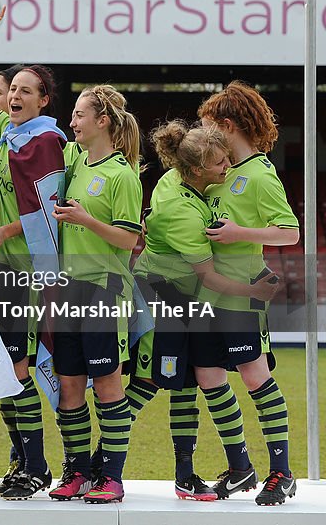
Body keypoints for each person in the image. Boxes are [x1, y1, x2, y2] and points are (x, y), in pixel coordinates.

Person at [132, 121, 279, 502]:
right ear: (196, 170)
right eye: (219, 163)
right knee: (148, 382)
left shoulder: (174, 181)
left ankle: (214, 471)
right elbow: (210, 277)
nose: (227, 167)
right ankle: (101, 461)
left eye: (228, 159)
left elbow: (150, 227)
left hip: (184, 303)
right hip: (166, 298)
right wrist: (255, 290)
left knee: (188, 381)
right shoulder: (186, 215)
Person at [196, 82, 299, 505]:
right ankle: (240, 469)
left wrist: (241, 233)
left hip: (241, 294)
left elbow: (290, 231)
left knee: (255, 376)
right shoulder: (217, 172)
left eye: (207, 128)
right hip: (208, 293)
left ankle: (283, 472)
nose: (203, 137)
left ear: (227, 125)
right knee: (208, 376)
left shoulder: (260, 174)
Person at [0, 65, 66, 500]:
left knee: (19, 368)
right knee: (7, 369)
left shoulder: (45, 141)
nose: (11, 97)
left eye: (24, 91)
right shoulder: (5, 140)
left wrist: (5, 233)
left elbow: (47, 210)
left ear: (43, 100)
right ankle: (22, 460)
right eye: (10, 91)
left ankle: (38, 465)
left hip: (28, 273)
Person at [48, 86, 142, 504]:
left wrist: (85, 219)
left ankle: (113, 478)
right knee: (69, 386)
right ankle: (77, 471)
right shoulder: (75, 163)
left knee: (106, 383)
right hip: (66, 288)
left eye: (80, 115)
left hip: (104, 290)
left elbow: (127, 240)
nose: (72, 122)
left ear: (103, 121)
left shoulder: (123, 175)